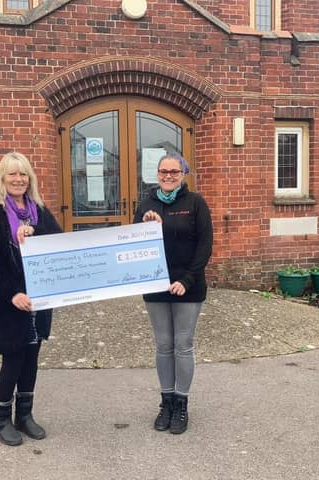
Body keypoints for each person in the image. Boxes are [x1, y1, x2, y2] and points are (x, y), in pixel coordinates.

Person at [0, 151, 62, 446]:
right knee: (14, 356)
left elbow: (59, 242)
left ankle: (25, 415)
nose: (18, 179)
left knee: (32, 355)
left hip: (39, 294)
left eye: (23, 173)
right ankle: (1, 420)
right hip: (5, 295)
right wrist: (13, 293)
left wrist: (34, 234)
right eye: (12, 173)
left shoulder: (39, 209)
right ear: (2, 177)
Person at [134, 152, 213, 434]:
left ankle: (181, 403)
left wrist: (188, 280)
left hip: (187, 287)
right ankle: (166, 401)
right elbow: (134, 244)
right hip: (155, 285)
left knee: (183, 344)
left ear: (183, 174)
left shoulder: (196, 203)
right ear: (156, 174)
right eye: (163, 171)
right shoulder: (146, 204)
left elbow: (205, 246)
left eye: (174, 172)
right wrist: (146, 225)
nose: (168, 176)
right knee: (163, 345)